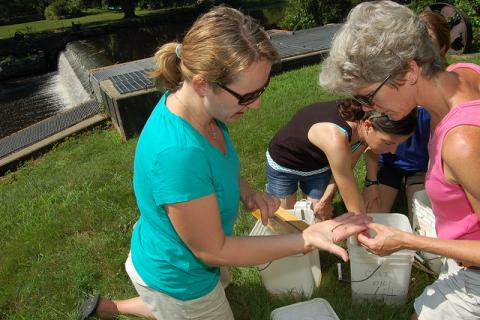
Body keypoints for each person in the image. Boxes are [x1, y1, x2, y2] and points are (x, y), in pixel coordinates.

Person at [79, 6, 371, 320]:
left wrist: (247, 193)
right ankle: (128, 308)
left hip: (188, 255)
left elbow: (216, 167)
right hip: (181, 275)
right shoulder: (177, 154)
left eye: (261, 90)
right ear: (203, 84)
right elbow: (212, 250)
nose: (257, 105)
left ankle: (112, 308)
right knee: (181, 308)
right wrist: (304, 239)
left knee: (177, 305)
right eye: (247, 96)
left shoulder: (202, 112)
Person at [319, 1, 480, 319]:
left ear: (409, 71)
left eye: (368, 96)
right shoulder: (464, 74)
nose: (367, 110)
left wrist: (406, 240)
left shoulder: (462, 142)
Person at [362, 10, 451, 222]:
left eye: (427, 40)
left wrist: (434, 180)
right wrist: (371, 182)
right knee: (371, 218)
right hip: (390, 161)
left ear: (442, 47)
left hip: (422, 167)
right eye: (413, 40)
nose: (418, 48)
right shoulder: (394, 81)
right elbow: (372, 136)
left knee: (422, 223)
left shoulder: (446, 90)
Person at [266, 99, 417, 221]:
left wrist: (326, 199)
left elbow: (346, 167)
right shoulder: (335, 138)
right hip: (284, 166)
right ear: (368, 126)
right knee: (285, 219)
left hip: (318, 168)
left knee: (318, 218)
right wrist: (366, 230)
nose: (393, 151)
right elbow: (352, 199)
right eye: (389, 142)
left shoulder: (365, 129)